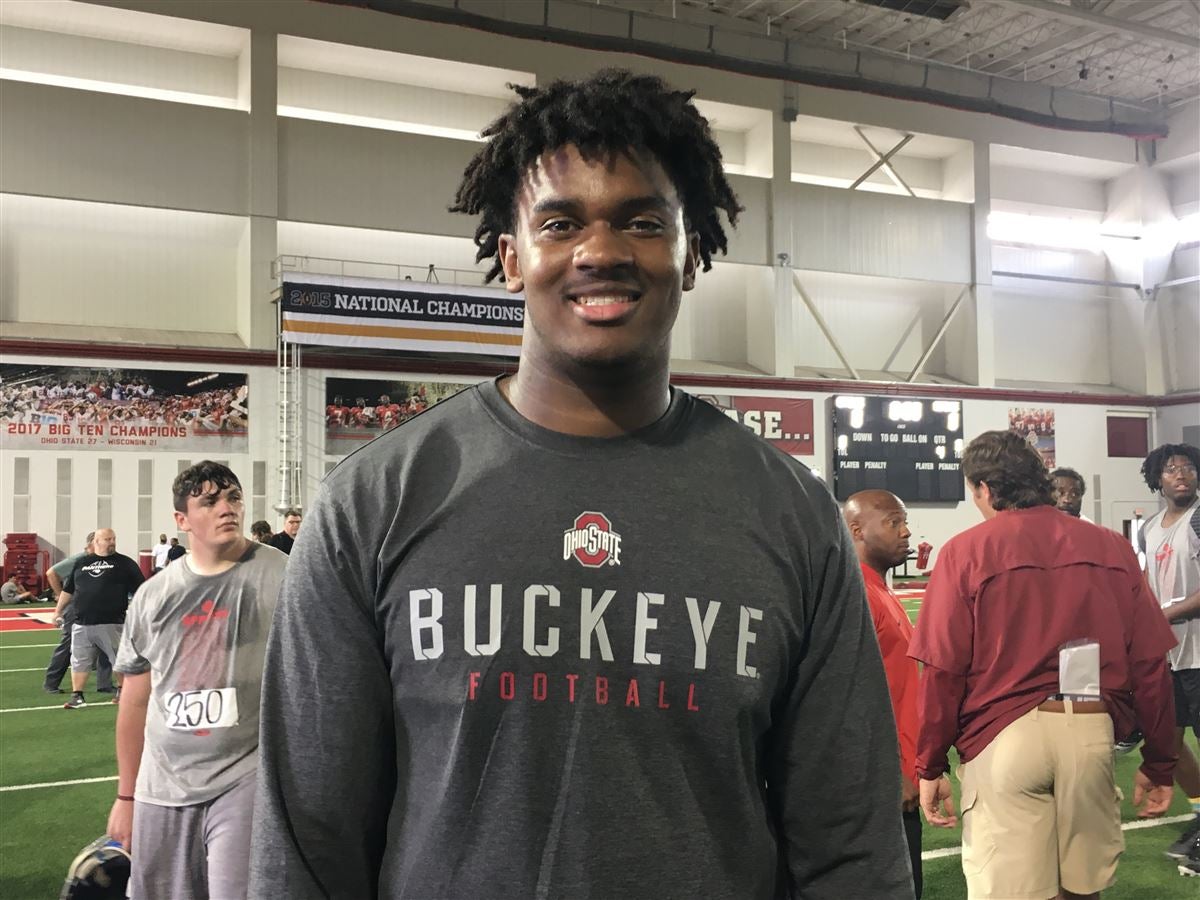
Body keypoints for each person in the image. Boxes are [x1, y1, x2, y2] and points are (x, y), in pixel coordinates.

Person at [249, 69, 913, 898]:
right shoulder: (375, 500)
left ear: (692, 253)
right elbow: (307, 838)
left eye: (642, 221)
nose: (600, 251)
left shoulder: (792, 512)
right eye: (560, 222)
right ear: (511, 255)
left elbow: (850, 838)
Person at [910, 430, 1178, 899]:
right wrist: (1160, 761)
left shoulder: (965, 551)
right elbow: (1151, 667)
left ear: (985, 489)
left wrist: (929, 764)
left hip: (1002, 735)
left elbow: (943, 673)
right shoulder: (1111, 547)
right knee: (1083, 889)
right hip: (1091, 730)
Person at [107, 462, 286, 900]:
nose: (228, 509)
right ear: (182, 520)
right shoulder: (154, 595)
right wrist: (126, 797)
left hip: (245, 774)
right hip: (163, 782)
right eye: (210, 501)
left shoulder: (285, 574)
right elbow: (134, 700)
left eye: (233, 498)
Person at [843, 490, 936, 898]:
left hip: (901, 775)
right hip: (878, 786)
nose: (907, 531)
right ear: (857, 529)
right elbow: (846, 699)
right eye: (894, 522)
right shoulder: (857, 595)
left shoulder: (879, 590)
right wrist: (891, 772)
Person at [1139, 442, 1200, 874]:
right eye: (1171, 469)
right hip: (1170, 655)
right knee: (1167, 744)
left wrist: (1162, 616)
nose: (1181, 474)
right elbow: (1147, 583)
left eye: (1189, 468)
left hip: (1199, 652)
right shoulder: (1150, 526)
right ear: (1156, 479)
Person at [53, 529, 144, 709]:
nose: (112, 542)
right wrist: (57, 611)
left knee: (118, 659)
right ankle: (77, 696)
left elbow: (142, 589)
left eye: (113, 539)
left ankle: (122, 691)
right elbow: (68, 589)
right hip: (82, 622)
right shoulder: (81, 563)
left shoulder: (124, 563)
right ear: (95, 541)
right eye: (107, 539)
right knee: (79, 660)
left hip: (111, 621)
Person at [43, 532, 115, 695]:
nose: (109, 544)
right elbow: (51, 573)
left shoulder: (105, 561)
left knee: (106, 644)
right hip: (76, 608)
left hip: (100, 608)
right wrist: (60, 595)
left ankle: (104, 684)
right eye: (105, 540)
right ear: (92, 543)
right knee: (68, 645)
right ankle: (51, 682)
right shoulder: (80, 559)